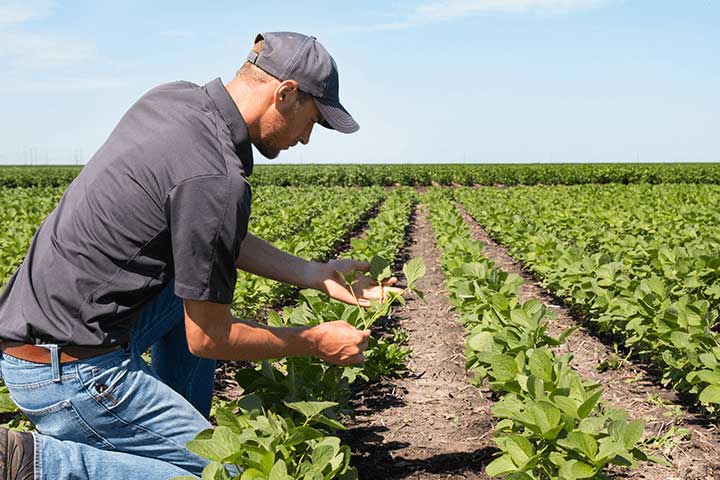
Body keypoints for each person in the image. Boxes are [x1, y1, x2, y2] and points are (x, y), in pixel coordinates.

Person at [0, 31, 390, 479]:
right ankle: (39, 463)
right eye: (313, 120)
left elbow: (208, 237)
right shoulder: (217, 177)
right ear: (285, 93)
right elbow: (209, 339)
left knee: (192, 287)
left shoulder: (176, 100)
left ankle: (166, 435)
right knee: (231, 473)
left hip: (40, 335)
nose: (306, 138)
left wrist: (315, 274)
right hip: (71, 374)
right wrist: (315, 341)